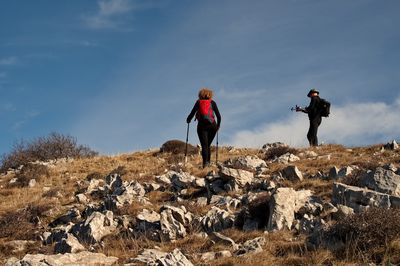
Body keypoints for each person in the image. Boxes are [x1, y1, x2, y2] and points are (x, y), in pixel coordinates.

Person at [186, 88, 221, 168]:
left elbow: (192, 113)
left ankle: (205, 165)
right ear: (210, 95)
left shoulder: (198, 102)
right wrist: (218, 126)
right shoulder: (213, 102)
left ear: (200, 95)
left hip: (202, 126)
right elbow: (219, 117)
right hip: (213, 126)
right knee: (207, 145)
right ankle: (208, 163)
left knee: (204, 145)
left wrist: (188, 120)